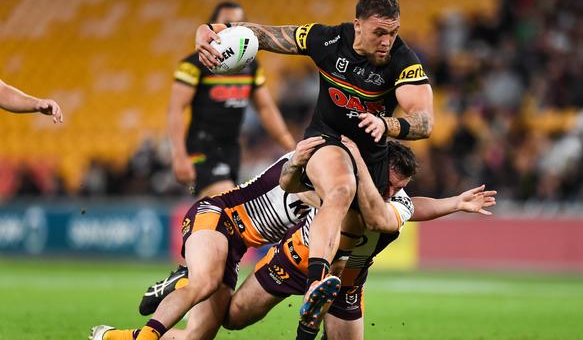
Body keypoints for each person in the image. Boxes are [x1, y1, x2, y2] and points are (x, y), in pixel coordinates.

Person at [195, 0, 434, 338]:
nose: (387, 41)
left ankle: (316, 304)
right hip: (326, 144)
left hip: (370, 164)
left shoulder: (403, 61)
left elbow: (426, 122)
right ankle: (314, 285)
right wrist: (211, 28)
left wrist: (388, 124)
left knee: (362, 229)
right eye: (379, 32)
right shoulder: (328, 39)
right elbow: (263, 35)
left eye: (393, 32)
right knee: (339, 188)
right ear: (357, 25)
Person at [109, 138, 495, 340]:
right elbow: (290, 181)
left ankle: (116, 334)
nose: (395, 194)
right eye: (391, 186)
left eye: (401, 189)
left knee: (201, 333)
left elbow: (405, 208)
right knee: (219, 301)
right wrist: (302, 160)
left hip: (341, 279)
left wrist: (454, 203)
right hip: (236, 226)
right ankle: (147, 328)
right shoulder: (328, 170)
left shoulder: (387, 198)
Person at [89, 137, 325, 340]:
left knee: (197, 336)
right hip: (218, 215)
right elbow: (326, 201)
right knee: (205, 282)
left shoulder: (325, 167)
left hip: (236, 247)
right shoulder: (309, 163)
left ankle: (111, 335)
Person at [169, 1, 295, 197]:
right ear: (213, 26)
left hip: (232, 150)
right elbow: (176, 109)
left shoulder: (251, 66)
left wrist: (290, 146)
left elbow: (265, 108)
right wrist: (179, 156)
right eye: (227, 23)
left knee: (220, 217)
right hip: (203, 148)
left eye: (238, 23)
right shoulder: (194, 64)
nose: (232, 28)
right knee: (226, 201)